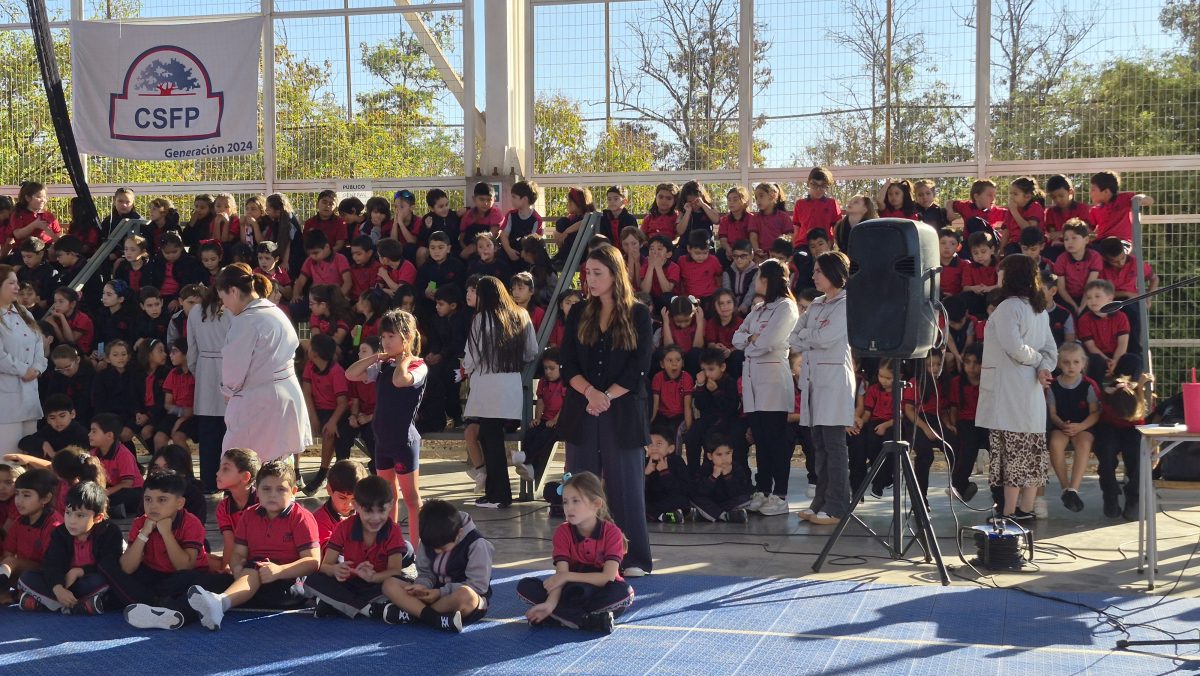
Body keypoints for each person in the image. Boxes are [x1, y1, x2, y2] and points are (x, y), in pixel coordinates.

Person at [558, 245, 654, 577]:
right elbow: (567, 361)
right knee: (579, 487)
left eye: (598, 273)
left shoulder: (637, 313)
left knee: (626, 487)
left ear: (615, 274)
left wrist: (606, 397)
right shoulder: (578, 312)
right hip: (582, 410)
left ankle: (632, 557)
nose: (591, 279)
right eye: (587, 273)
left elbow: (640, 366)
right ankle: (579, 556)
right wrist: (589, 392)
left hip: (622, 412)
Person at [186, 461, 320, 630]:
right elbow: (239, 554)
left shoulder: (301, 517)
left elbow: (312, 562)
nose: (273, 495)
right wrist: (236, 568)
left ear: (293, 492)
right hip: (254, 580)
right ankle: (177, 612)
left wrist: (279, 571)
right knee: (210, 581)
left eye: (281, 489)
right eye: (266, 489)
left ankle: (220, 603)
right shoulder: (249, 515)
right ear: (257, 490)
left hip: (290, 585)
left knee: (254, 566)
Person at [976, 254, 1058, 521]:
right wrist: (1043, 365)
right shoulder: (1039, 309)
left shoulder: (1008, 307)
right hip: (1030, 390)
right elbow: (1050, 350)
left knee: (1012, 452)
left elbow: (1014, 348)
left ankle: (1009, 513)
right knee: (1030, 450)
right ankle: (1025, 509)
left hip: (1009, 390)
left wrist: (1037, 362)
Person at [216, 263, 312, 465]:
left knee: (243, 467)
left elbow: (233, 375)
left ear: (233, 291)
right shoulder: (275, 311)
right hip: (283, 395)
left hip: (260, 402)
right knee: (277, 468)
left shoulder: (246, 322)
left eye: (223, 298)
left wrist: (228, 392)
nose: (223, 305)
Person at [518, 472, 635, 634]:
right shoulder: (563, 532)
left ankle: (559, 617)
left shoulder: (612, 533)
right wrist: (550, 603)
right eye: (565, 502)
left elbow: (607, 577)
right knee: (525, 586)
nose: (569, 508)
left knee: (623, 593)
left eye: (576, 501)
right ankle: (585, 621)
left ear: (596, 504)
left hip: (600, 590)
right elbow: (561, 575)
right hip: (570, 591)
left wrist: (566, 577)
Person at [347, 309, 426, 543]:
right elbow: (350, 374)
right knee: (388, 497)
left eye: (391, 336)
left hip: (404, 441)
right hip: (383, 441)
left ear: (407, 337)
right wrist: (376, 357)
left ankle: (417, 549)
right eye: (383, 337)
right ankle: (390, 544)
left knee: (411, 499)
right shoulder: (383, 365)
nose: (386, 341)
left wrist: (405, 359)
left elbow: (400, 380)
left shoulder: (418, 366)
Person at [789, 252, 854, 525]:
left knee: (834, 444)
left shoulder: (846, 303)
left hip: (835, 381)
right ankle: (821, 501)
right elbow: (793, 336)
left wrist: (808, 338)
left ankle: (838, 505)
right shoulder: (815, 304)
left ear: (834, 273)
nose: (814, 276)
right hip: (815, 381)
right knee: (820, 446)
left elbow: (827, 338)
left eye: (819, 271)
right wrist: (808, 338)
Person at [462, 276, 538, 509]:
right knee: (491, 438)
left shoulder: (480, 319)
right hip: (511, 383)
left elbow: (470, 358)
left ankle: (499, 495)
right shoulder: (521, 315)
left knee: (490, 440)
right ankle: (496, 493)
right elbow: (531, 351)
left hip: (487, 383)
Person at [734, 259, 799, 518]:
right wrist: (751, 339)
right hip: (752, 377)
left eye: (760, 276)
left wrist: (752, 342)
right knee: (760, 439)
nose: (756, 281)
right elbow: (737, 337)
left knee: (775, 439)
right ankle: (762, 488)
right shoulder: (759, 309)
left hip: (773, 377)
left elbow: (771, 341)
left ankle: (780, 493)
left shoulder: (786, 307)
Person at [376, 498, 493, 632]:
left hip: (458, 598)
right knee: (389, 584)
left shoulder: (477, 545)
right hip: (431, 594)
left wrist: (440, 592)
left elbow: (478, 586)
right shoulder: (430, 537)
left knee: (466, 595)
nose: (437, 551)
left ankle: (413, 613)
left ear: (458, 534)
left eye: (443, 549)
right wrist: (422, 587)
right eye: (433, 548)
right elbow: (425, 573)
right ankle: (434, 618)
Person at [307, 474, 413, 619]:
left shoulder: (393, 530)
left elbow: (394, 571)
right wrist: (335, 570)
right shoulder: (344, 527)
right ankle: (370, 609)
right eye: (368, 511)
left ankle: (336, 605)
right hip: (350, 582)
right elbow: (325, 565)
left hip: (378, 584)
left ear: (391, 505)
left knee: (403, 584)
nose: (375, 518)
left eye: (381, 510)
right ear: (356, 505)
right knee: (313, 579)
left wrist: (373, 577)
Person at [17, 481, 122, 615]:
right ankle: (80, 606)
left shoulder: (109, 532)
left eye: (80, 515)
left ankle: (48, 604)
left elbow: (109, 564)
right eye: (68, 512)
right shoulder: (60, 533)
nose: (72, 520)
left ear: (98, 517)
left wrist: (81, 571)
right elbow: (52, 564)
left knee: (101, 582)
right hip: (64, 582)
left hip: (87, 583)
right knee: (27, 577)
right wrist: (58, 589)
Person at [184, 286, 229, 493]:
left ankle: (209, 482)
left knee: (208, 433)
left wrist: (198, 370)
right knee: (229, 430)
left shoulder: (195, 311)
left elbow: (191, 349)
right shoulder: (231, 311)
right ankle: (229, 481)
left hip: (204, 369)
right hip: (228, 368)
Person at [0, 265, 46, 453]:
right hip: (6, 401)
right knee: (8, 456)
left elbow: (38, 344)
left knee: (29, 456)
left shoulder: (25, 313)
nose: (17, 287)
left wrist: (37, 367)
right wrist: (22, 370)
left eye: (16, 282)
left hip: (29, 396)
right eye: (11, 283)